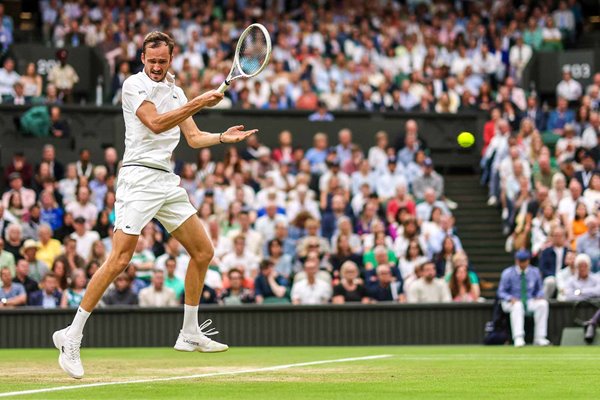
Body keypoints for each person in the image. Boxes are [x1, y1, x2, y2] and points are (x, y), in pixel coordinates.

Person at [52, 31, 257, 379]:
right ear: (142, 60)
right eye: (152, 61)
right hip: (138, 179)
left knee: (203, 252)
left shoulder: (176, 91)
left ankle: (189, 332)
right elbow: (157, 122)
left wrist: (222, 137)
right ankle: (71, 336)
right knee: (120, 258)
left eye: (163, 61)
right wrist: (200, 102)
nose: (157, 66)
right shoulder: (134, 86)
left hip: (166, 180)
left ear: (171, 58)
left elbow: (192, 138)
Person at [497, 250, 550, 347]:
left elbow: (540, 289)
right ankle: (518, 337)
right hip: (511, 302)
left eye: (524, 261)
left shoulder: (535, 272)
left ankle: (540, 337)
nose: (522, 263)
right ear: (516, 261)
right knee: (517, 306)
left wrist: (539, 296)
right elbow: (501, 292)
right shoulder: (507, 273)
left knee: (543, 304)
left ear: (528, 260)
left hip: (529, 300)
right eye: (520, 261)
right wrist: (510, 298)